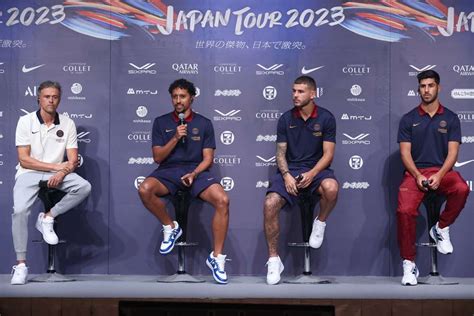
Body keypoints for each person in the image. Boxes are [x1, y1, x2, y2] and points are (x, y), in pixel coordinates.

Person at [138, 78, 230, 284]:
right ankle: (170, 227)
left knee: (222, 200)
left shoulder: (204, 123)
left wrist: (194, 174)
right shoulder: (161, 122)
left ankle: (217, 258)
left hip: (196, 171)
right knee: (145, 189)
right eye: (174, 97)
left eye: (182, 96)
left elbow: (208, 159)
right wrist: (175, 138)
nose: (178, 101)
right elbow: (158, 157)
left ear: (192, 98)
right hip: (169, 171)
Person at [10, 80, 91, 285]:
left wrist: (63, 172)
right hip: (29, 173)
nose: (51, 100)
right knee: (19, 211)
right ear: (39, 98)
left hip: (57, 174)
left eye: (55, 97)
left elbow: (73, 160)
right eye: (47, 96)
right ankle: (20, 265)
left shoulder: (68, 123)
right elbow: (24, 159)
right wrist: (57, 168)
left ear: (60, 99)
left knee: (84, 187)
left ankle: (47, 217)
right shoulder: (25, 121)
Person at [263, 76, 339, 285]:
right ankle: (273, 259)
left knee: (331, 188)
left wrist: (312, 174)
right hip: (291, 170)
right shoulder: (285, 119)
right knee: (270, 203)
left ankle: (320, 222)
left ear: (312, 94)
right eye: (294, 91)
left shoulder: (326, 118)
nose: (295, 95)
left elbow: (328, 155)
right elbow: (280, 153)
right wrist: (286, 175)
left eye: (300, 91)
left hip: (316, 171)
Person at [397, 70, 469, 286]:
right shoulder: (409, 119)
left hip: (442, 172)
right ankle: (409, 264)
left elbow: (453, 153)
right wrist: (418, 175)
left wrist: (440, 174)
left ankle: (441, 227)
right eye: (422, 86)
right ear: (418, 89)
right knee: (404, 211)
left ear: (439, 88)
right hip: (414, 173)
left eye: (430, 85)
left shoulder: (451, 118)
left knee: (462, 188)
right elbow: (404, 153)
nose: (426, 90)